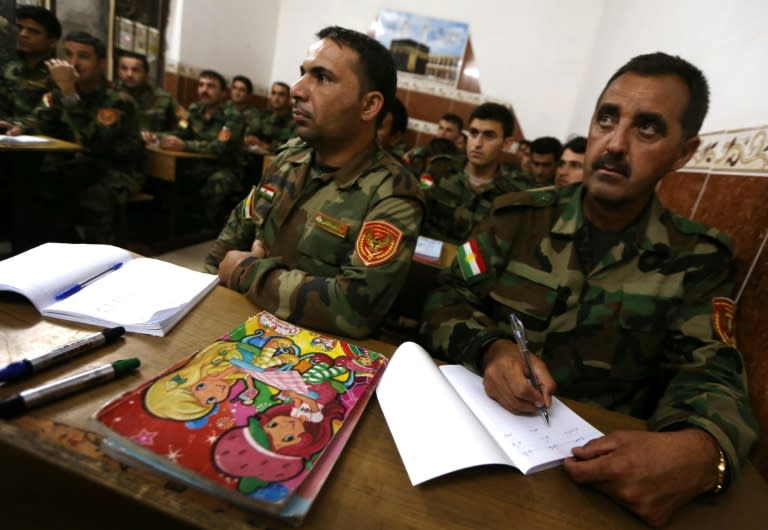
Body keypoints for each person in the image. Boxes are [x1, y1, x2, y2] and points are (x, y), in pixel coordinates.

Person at [421, 52, 757, 526]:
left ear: (683, 152)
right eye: (606, 118)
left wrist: (703, 450)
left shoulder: (697, 257)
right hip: (476, 450)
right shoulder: (516, 217)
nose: (615, 144)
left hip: (595, 482)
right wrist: (491, 349)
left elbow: (710, 370)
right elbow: (444, 299)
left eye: (647, 128)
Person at [204, 25, 425, 339]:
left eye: (322, 78)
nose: (297, 89)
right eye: (302, 73)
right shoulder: (288, 158)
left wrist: (245, 271)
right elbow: (228, 243)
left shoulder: (393, 194)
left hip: (312, 355)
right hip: (238, 324)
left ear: (369, 105)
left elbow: (353, 310)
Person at [7, 31, 143, 243]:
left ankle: (100, 257)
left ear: (101, 63)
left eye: (83, 56)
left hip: (115, 168)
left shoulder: (117, 100)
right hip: (77, 166)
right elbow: (41, 115)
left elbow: (92, 143)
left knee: (92, 198)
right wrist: (17, 128)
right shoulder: (60, 90)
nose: (73, 63)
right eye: (68, 54)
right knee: (31, 185)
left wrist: (70, 93)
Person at [421, 102, 525, 244]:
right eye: (474, 133)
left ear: (507, 144)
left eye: (489, 136)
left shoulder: (513, 192)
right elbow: (416, 214)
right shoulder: (438, 169)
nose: (477, 143)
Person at [159, 69, 244, 227]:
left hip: (225, 167)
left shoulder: (233, 116)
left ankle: (207, 226)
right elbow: (181, 131)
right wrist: (159, 137)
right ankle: (178, 224)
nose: (204, 90)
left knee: (216, 183)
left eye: (211, 86)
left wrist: (185, 145)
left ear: (223, 93)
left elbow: (221, 147)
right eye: (201, 85)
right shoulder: (193, 110)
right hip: (197, 163)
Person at [0, 5, 60, 122]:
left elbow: (51, 112)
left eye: (33, 31)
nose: (23, 34)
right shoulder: (8, 66)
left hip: (40, 135)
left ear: (52, 42)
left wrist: (20, 126)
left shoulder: (57, 72)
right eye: (20, 28)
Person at [116, 51, 183, 140]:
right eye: (124, 69)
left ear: (146, 74)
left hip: (152, 149)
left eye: (135, 70)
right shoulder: (111, 96)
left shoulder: (164, 98)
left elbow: (184, 124)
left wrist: (158, 136)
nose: (129, 74)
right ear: (118, 71)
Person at [403, 112, 464, 176]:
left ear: (459, 136)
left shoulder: (460, 161)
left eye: (449, 130)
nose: (442, 133)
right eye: (440, 128)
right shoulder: (419, 152)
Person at [243, 80, 296, 153]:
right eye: (274, 93)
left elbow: (290, 148)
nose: (276, 98)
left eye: (281, 95)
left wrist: (263, 145)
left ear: (289, 99)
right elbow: (251, 133)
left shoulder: (294, 121)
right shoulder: (264, 115)